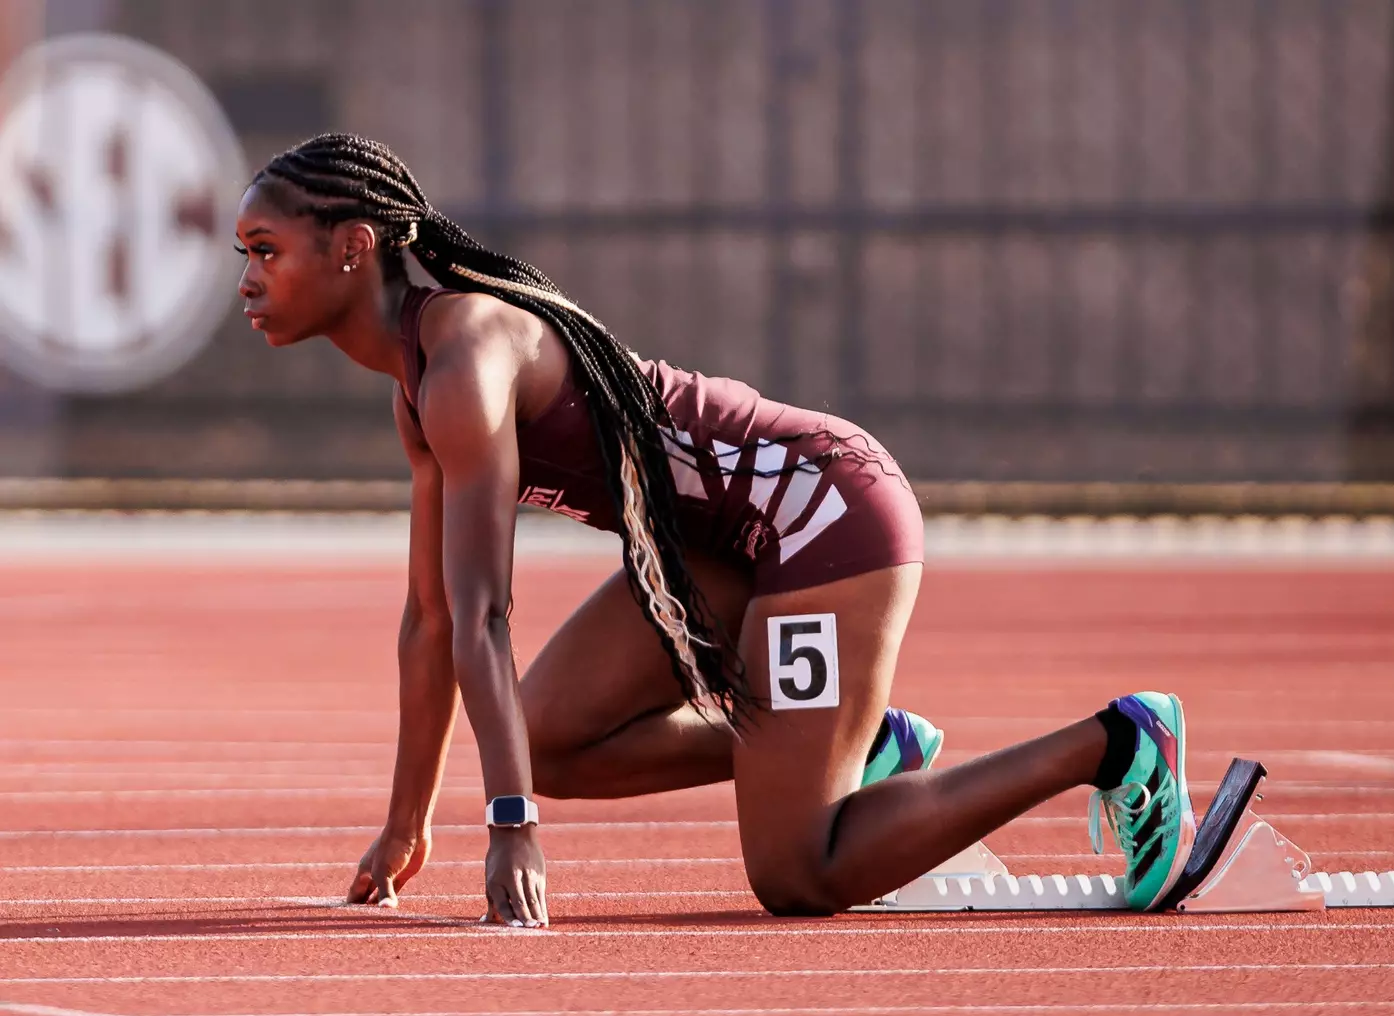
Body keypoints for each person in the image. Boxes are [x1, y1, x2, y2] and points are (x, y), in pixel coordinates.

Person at [234, 133, 1194, 926]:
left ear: (354, 246)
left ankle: (1116, 743)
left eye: (265, 250)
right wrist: (408, 823)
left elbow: (486, 614)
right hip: (722, 552)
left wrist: (510, 823)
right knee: (545, 738)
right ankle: (848, 750)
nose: (247, 277)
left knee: (797, 876)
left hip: (821, 513)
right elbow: (431, 620)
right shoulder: (419, 391)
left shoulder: (467, 355)